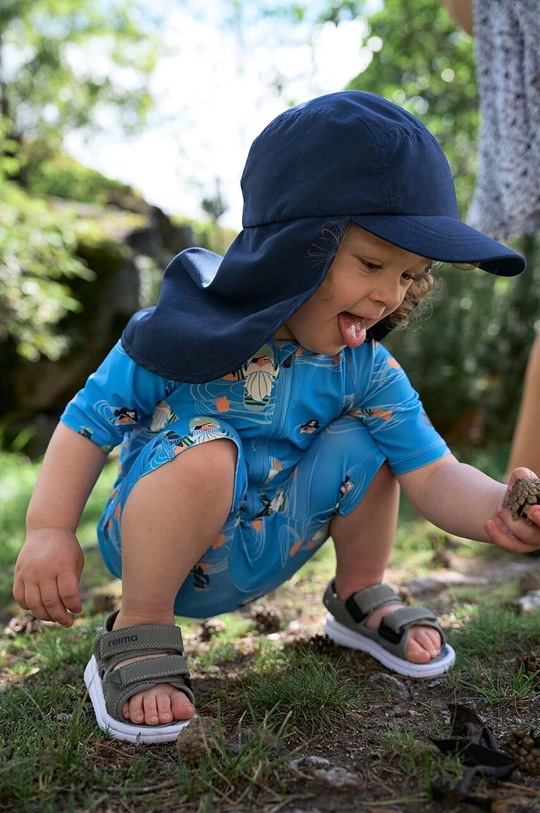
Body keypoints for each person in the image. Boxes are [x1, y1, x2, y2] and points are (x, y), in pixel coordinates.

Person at [13, 91, 540, 746]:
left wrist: (499, 509)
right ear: (296, 247)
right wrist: (49, 529)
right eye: (372, 263)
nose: (387, 295)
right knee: (210, 451)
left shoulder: (365, 368)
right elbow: (91, 417)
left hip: (273, 542)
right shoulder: (184, 331)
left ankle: (358, 594)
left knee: (371, 436)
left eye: (410, 275)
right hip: (158, 545)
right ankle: (135, 631)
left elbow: (432, 470)